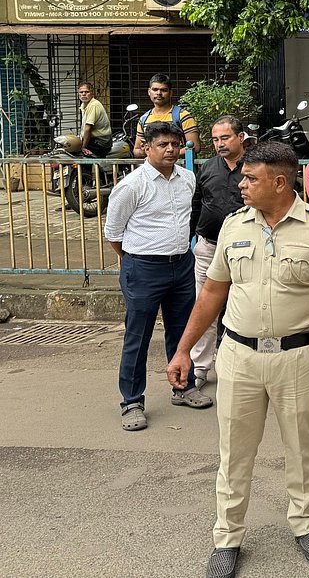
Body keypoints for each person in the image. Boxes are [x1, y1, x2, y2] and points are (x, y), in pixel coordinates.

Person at [164, 141, 309, 578]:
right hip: (239, 356)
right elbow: (213, 291)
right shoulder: (234, 225)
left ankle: (306, 524)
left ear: (280, 182)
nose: (242, 184)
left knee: (301, 447)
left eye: (251, 178)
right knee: (234, 451)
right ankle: (227, 537)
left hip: (297, 357)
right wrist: (183, 349)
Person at [103, 121, 212, 431]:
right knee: (138, 336)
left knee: (182, 331)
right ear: (147, 148)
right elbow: (113, 232)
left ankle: (184, 387)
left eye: (175, 144)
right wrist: (135, 260)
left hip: (182, 265)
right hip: (143, 268)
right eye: (163, 144)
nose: (170, 150)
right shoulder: (132, 185)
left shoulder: (187, 179)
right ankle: (132, 402)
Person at [188, 116, 247, 390]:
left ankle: (241, 366)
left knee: (242, 308)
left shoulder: (255, 166)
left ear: (240, 137)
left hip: (246, 251)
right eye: (215, 139)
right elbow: (196, 205)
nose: (219, 144)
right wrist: (190, 239)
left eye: (225, 138)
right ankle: (200, 367)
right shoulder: (208, 167)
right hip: (209, 247)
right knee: (205, 308)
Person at [134, 73, 200, 155]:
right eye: (155, 89)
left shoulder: (182, 116)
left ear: (170, 93)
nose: (159, 93)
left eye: (163, 90)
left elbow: (195, 146)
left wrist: (164, 154)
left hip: (178, 163)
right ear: (149, 91)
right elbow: (136, 150)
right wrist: (144, 151)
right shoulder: (143, 119)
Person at [77, 82, 112, 157]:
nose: (83, 94)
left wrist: (83, 147)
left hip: (100, 142)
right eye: (81, 92)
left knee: (78, 153)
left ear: (92, 93)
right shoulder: (84, 105)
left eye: (86, 92)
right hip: (94, 140)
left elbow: (88, 129)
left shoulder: (93, 105)